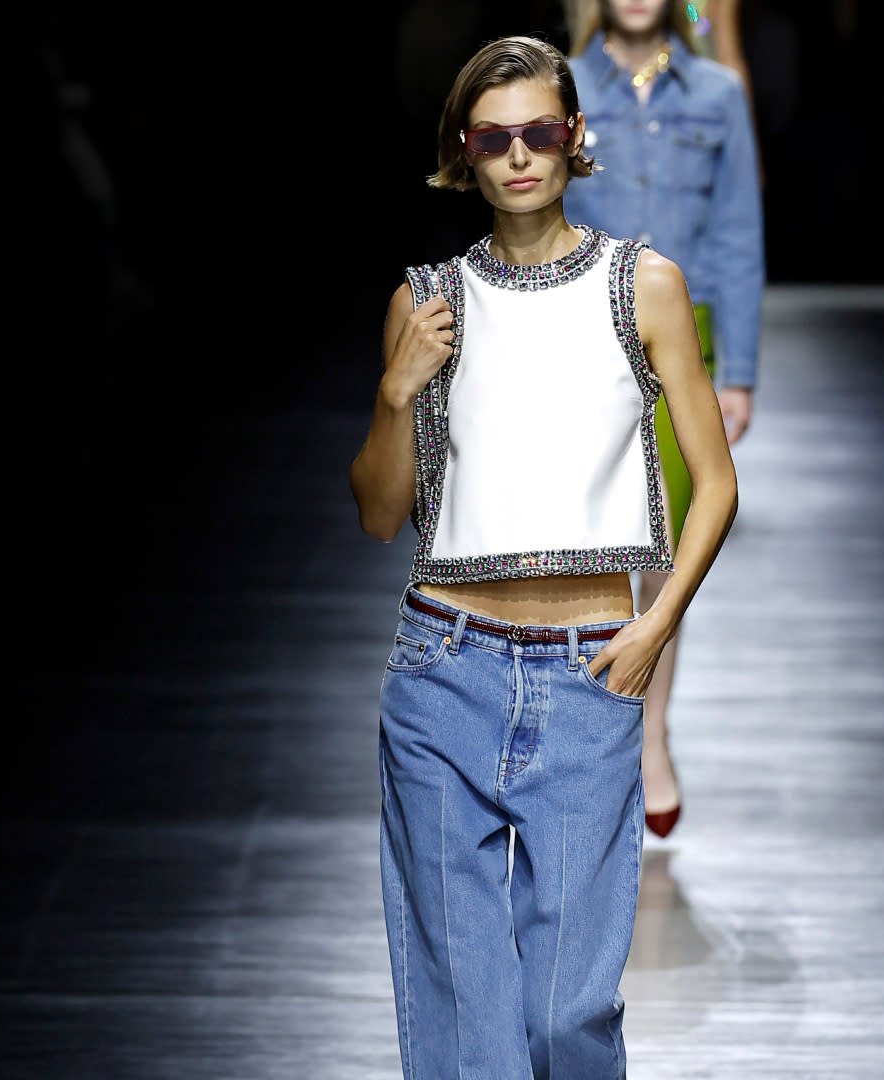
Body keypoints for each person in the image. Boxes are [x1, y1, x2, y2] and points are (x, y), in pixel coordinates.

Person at [349, 34, 738, 1079]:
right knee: (462, 1010)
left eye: (541, 131)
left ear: (575, 140)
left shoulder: (641, 286)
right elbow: (382, 514)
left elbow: (716, 484)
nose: (519, 155)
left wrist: (653, 626)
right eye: (494, 137)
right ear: (462, 152)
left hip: (589, 669)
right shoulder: (425, 303)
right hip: (443, 671)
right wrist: (397, 393)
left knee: (569, 1013)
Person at [562, 0, 765, 838]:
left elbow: (736, 233)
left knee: (661, 555)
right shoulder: (561, 86)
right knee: (575, 547)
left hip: (686, 350)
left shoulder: (716, 93)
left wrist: (739, 371)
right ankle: (585, 740)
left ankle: (648, 736)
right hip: (575, 345)